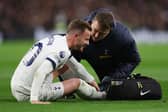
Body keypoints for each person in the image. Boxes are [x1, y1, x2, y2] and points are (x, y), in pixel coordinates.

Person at [10, 19, 106, 104]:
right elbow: (41, 72)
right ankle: (102, 95)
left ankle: (67, 92)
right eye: (86, 39)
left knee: (65, 67)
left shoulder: (57, 39)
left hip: (16, 85)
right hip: (27, 93)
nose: (87, 43)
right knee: (77, 83)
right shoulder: (62, 51)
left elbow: (75, 66)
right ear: (76, 36)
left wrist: (91, 80)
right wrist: (34, 99)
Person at [60, 8, 141, 91]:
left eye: (102, 33)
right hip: (88, 52)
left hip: (109, 59)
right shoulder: (79, 29)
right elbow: (65, 56)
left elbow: (134, 60)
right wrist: (67, 81)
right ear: (91, 23)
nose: (96, 35)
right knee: (66, 59)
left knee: (109, 86)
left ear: (110, 31)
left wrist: (114, 77)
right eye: (94, 30)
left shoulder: (123, 38)